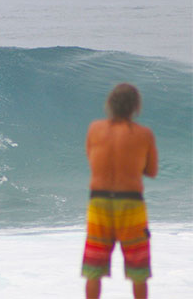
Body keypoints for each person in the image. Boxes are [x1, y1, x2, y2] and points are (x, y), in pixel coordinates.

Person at [82, 83, 157, 299]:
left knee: (93, 269)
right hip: (131, 204)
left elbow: (93, 160)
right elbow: (151, 171)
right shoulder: (144, 134)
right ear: (135, 107)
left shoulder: (94, 129)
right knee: (138, 271)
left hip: (99, 203)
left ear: (110, 104)